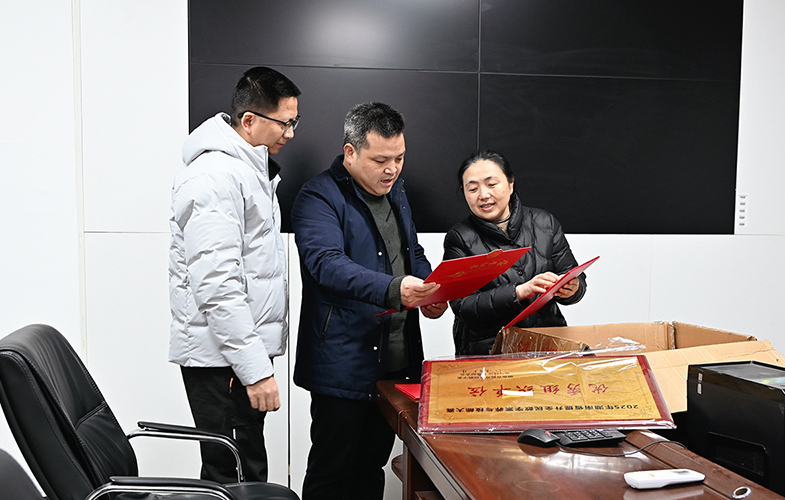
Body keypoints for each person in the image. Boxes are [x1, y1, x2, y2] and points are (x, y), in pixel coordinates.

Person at [291, 102, 448, 500]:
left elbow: (411, 252)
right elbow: (326, 264)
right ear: (350, 152)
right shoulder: (318, 196)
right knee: (332, 473)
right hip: (342, 363)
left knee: (371, 469)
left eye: (399, 158)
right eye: (381, 160)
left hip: (396, 361)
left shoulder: (397, 192)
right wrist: (395, 289)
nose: (391, 170)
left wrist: (431, 289)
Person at [168, 66, 301, 483]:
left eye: (294, 122)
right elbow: (217, 286)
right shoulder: (215, 176)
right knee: (235, 476)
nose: (290, 133)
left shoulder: (247, 169)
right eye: (285, 123)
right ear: (249, 120)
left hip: (232, 355)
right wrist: (255, 370)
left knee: (242, 469)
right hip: (221, 361)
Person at [443, 149, 587, 355]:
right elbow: (462, 305)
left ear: (511, 184)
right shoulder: (459, 237)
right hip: (488, 350)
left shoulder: (544, 223)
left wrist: (572, 289)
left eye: (492, 184)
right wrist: (518, 292)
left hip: (545, 345)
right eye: (473, 189)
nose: (483, 195)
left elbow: (573, 275)